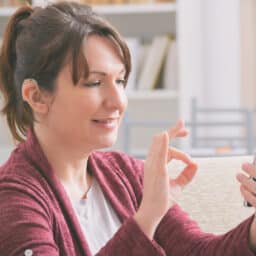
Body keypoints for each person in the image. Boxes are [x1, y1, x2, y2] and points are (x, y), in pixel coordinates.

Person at [0, 1, 255, 255]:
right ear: (36, 97)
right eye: (94, 82)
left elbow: (197, 251)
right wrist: (147, 216)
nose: (118, 101)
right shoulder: (12, 198)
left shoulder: (126, 174)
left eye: (120, 81)